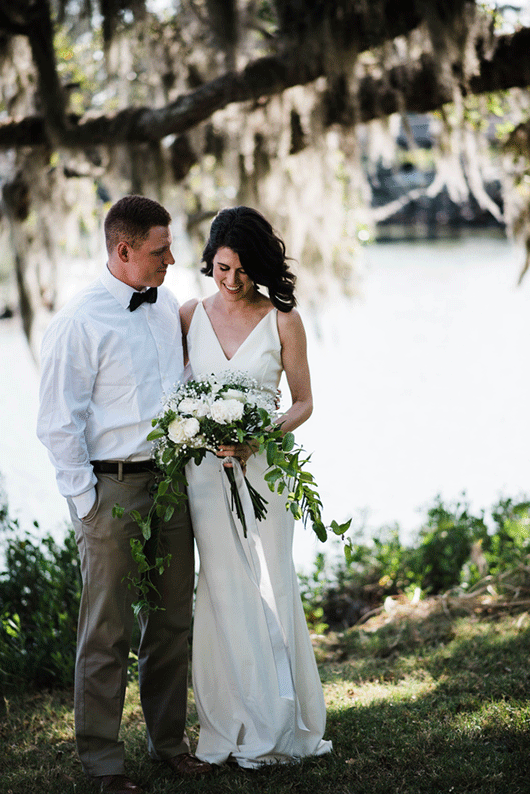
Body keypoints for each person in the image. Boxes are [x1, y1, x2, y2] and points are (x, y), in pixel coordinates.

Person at [37, 195, 212, 794]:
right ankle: (104, 763)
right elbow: (58, 422)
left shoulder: (167, 306)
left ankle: (170, 744)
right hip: (109, 490)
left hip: (171, 486)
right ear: (124, 251)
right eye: (161, 251)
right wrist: (87, 502)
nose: (173, 260)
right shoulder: (79, 320)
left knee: (170, 621)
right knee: (106, 629)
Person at [179, 205, 332, 768]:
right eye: (222, 268)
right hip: (203, 478)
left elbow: (304, 402)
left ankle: (284, 718)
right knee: (219, 589)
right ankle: (230, 722)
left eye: (242, 269)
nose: (231, 280)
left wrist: (257, 435)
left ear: (259, 265)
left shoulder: (282, 319)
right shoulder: (188, 315)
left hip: (263, 473)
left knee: (273, 583)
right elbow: (173, 393)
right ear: (210, 263)